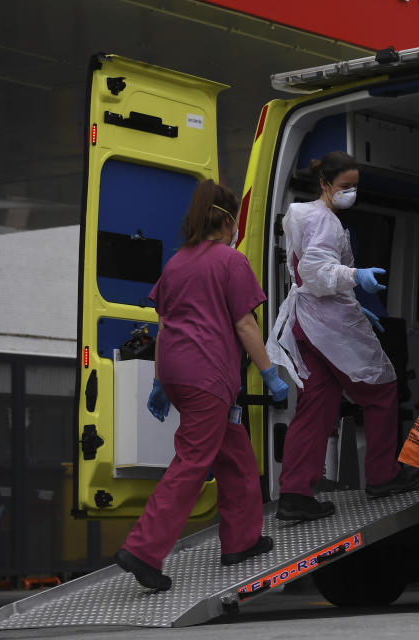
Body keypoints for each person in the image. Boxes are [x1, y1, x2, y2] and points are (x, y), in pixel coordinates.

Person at [114, 179, 289, 591]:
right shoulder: (230, 262)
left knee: (236, 455)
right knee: (191, 464)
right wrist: (269, 374)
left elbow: (165, 324)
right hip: (208, 377)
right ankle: (142, 550)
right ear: (228, 221)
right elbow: (245, 324)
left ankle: (241, 540)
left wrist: (160, 381)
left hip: (178, 373)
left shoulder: (176, 263)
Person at [266, 151, 419, 521]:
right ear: (325, 185)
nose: (351, 192)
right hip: (329, 327)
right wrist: (356, 278)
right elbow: (318, 271)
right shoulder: (327, 222)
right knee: (382, 388)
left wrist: (352, 297)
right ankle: (383, 475)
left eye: (355, 186)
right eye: (345, 186)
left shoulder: (300, 215)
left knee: (316, 406)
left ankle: (294, 494)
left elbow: (307, 274)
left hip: (306, 323)